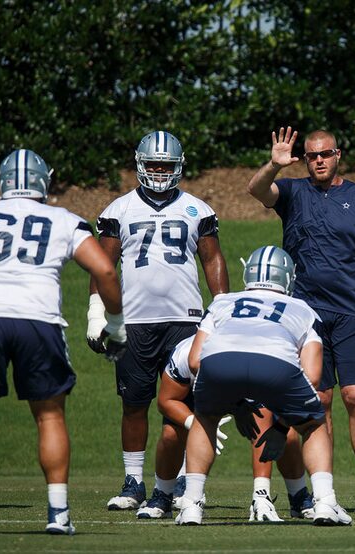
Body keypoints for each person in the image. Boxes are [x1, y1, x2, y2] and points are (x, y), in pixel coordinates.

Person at [0, 149, 127, 535]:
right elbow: (104, 270)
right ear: (44, 180)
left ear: (2, 180)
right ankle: (59, 512)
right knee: (49, 415)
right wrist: (115, 325)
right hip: (39, 320)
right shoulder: (64, 219)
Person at [247, 127, 355, 512]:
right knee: (320, 400)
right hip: (305, 315)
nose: (318, 160)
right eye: (312, 155)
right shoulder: (294, 193)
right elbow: (257, 191)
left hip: (351, 313)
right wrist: (274, 165)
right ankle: (323, 490)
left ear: (337, 155)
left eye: (325, 154)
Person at [88, 131, 229, 511]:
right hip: (133, 321)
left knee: (182, 403)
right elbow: (103, 265)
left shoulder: (197, 209)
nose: (160, 171)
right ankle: (134, 481)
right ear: (140, 164)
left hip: (185, 320)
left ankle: (181, 477)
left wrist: (221, 308)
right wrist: (95, 312)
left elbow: (212, 259)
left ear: (178, 167)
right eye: (153, 164)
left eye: (166, 165)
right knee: (134, 403)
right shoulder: (119, 209)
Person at [175, 246, 351, 526]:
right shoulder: (303, 309)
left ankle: (192, 505)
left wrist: (234, 403)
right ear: (288, 278)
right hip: (276, 362)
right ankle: (325, 502)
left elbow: (195, 361)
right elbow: (313, 377)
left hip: (219, 361)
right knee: (314, 423)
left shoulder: (222, 302)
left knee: (205, 419)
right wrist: (284, 424)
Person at [136, 335, 315, 522]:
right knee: (171, 433)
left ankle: (297, 496)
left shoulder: (253, 359)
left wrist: (261, 493)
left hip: (247, 389)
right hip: (201, 397)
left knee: (289, 435)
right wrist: (192, 423)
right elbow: (166, 401)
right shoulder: (186, 353)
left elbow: (261, 426)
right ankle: (164, 497)